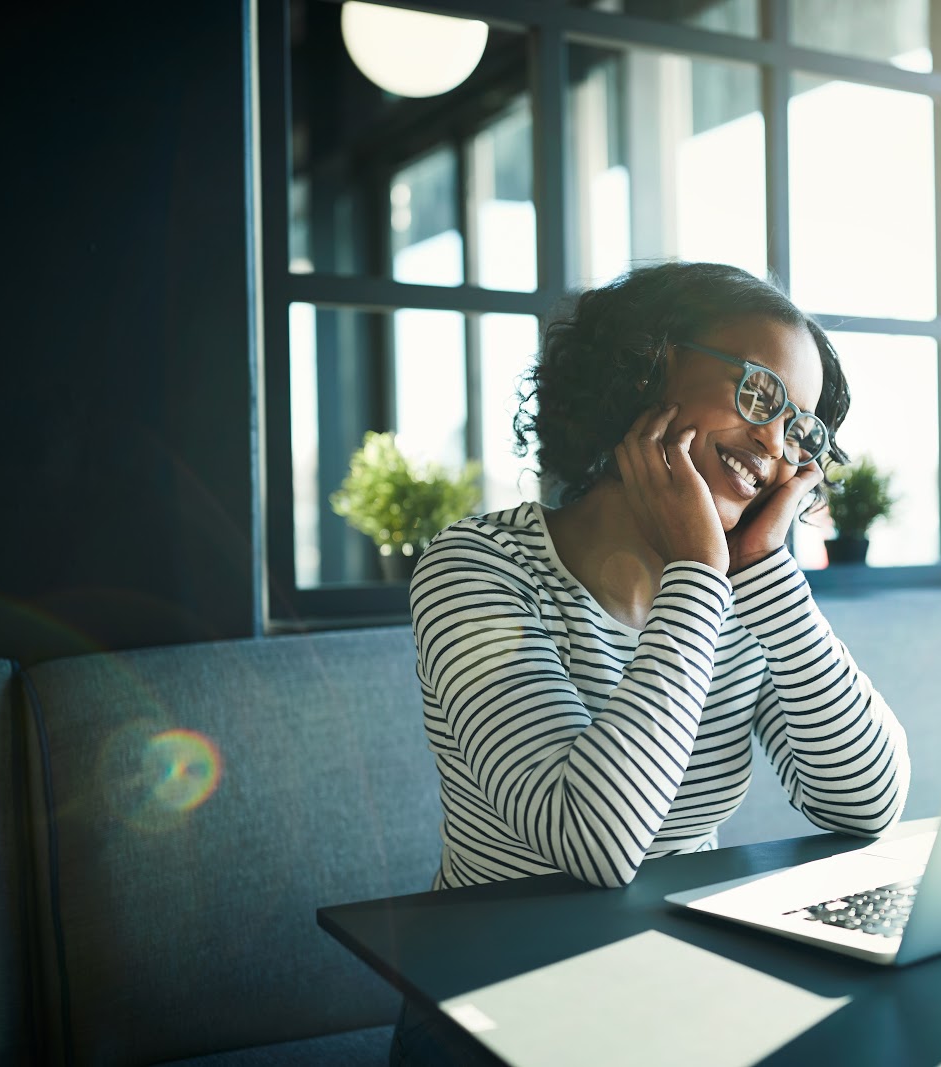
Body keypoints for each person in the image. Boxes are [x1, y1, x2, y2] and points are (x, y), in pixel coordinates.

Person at [391, 261, 912, 1063]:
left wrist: (765, 570)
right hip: (487, 1005)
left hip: (671, 991)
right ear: (646, 367)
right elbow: (593, 838)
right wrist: (700, 578)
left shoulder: (745, 594)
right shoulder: (478, 567)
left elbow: (867, 800)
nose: (775, 446)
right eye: (760, 395)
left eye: (800, 430)